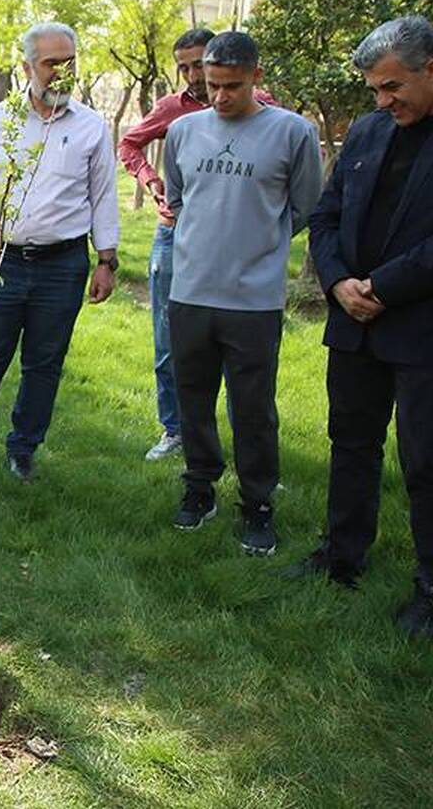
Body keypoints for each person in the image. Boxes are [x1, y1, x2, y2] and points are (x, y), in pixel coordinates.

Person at [292, 16, 433, 637]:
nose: (382, 101)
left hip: (431, 327)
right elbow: (325, 216)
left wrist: (382, 287)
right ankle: (341, 557)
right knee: (350, 442)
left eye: (392, 86)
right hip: (354, 320)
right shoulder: (370, 130)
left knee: (428, 460)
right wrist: (338, 282)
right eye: (375, 89)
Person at [162, 31, 321, 555]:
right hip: (190, 291)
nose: (220, 96)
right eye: (212, 85)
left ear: (256, 76)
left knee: (253, 408)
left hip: (254, 299)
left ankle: (257, 504)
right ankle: (199, 487)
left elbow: (304, 207)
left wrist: (257, 246)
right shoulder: (183, 131)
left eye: (232, 86)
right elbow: (178, 199)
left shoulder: (293, 132)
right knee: (193, 399)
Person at [0, 21, 119, 483]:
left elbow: (103, 197)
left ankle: (23, 449)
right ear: (27, 67)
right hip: (1, 260)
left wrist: (106, 260)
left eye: (69, 63)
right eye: (50, 63)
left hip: (63, 265)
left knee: (44, 364)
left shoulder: (91, 127)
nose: (61, 72)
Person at [118, 28, 277, 461]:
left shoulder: (266, 109)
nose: (191, 76)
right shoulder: (173, 109)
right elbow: (129, 143)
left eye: (197, 64)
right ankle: (175, 429)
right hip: (176, 234)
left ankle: (246, 441)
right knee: (170, 338)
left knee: (244, 347)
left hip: (239, 242)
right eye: (184, 67)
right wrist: (151, 182)